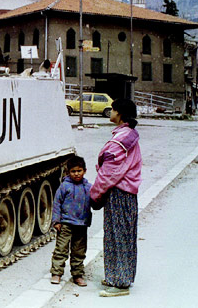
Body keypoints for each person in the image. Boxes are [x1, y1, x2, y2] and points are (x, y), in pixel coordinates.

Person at [90, 98, 142, 297]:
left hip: (119, 194)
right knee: (124, 237)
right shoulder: (128, 135)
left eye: (112, 109)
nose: (110, 112)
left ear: (119, 113)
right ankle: (118, 276)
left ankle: (119, 284)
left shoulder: (120, 141)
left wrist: (95, 195)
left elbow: (108, 174)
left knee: (117, 237)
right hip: (127, 194)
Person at [50, 155, 92, 287]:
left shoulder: (88, 187)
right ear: (68, 172)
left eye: (79, 171)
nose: (76, 174)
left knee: (79, 251)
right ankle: (56, 273)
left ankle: (77, 275)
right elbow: (56, 203)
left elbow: (95, 201)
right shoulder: (64, 186)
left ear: (84, 170)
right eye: (73, 171)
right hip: (66, 224)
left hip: (81, 224)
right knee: (61, 250)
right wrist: (56, 221)